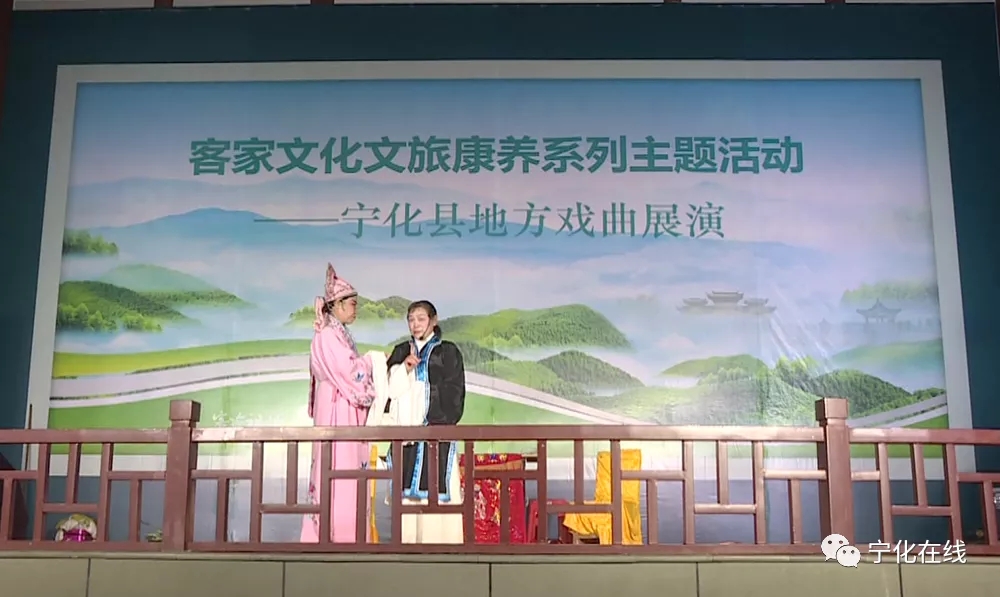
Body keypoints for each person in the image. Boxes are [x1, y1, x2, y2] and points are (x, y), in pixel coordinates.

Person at [301, 263, 376, 544]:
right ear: (338, 304)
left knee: (346, 469)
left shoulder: (337, 332)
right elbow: (350, 372)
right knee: (338, 468)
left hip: (340, 405)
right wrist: (373, 361)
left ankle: (345, 532)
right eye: (352, 304)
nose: (356, 309)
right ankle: (336, 534)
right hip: (337, 409)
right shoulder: (328, 334)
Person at [385, 300, 466, 543]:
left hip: (436, 434)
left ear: (434, 320)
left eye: (421, 319)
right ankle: (408, 543)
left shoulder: (448, 352)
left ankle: (442, 545)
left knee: (438, 491)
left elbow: (455, 392)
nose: (416, 324)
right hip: (407, 437)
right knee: (407, 496)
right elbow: (387, 390)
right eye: (411, 319)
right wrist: (404, 370)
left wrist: (427, 402)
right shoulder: (401, 350)